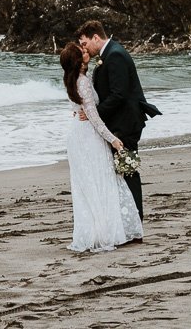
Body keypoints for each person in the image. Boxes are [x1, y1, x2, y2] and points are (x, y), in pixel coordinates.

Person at [60, 42, 143, 252]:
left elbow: (86, 112)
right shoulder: (83, 82)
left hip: (77, 135)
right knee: (100, 181)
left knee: (88, 185)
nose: (86, 51)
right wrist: (113, 140)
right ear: (78, 61)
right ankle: (105, 232)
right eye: (82, 52)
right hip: (88, 136)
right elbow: (94, 118)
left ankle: (95, 230)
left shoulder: (74, 80)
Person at [77, 19, 160, 223]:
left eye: (85, 43)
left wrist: (93, 113)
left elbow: (118, 95)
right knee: (122, 171)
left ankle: (135, 222)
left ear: (96, 37)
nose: (84, 48)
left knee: (128, 170)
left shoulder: (114, 55)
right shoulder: (110, 53)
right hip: (120, 123)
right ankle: (127, 221)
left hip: (125, 124)